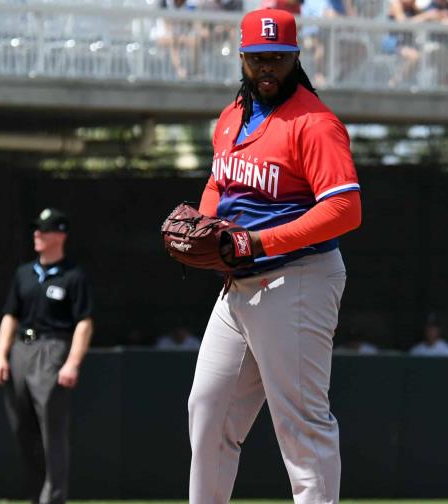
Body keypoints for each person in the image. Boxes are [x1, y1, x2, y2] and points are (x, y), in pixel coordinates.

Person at [186, 9, 362, 504]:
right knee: (208, 412)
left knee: (301, 425)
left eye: (279, 59)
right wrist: (206, 228)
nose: (268, 68)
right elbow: (218, 182)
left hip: (298, 278)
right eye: (259, 58)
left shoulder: (315, 122)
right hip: (239, 285)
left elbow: (345, 208)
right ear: (242, 58)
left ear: (295, 59)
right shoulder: (232, 117)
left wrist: (257, 242)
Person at [0, 208, 93, 504]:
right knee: (23, 429)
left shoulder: (73, 276)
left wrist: (72, 362)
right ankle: (35, 495)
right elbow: (10, 315)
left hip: (53, 349)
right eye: (36, 229)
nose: (37, 234)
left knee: (52, 430)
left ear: (60, 235)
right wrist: (1, 355)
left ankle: (54, 497)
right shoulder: (23, 273)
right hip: (21, 349)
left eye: (44, 230)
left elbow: (84, 322)